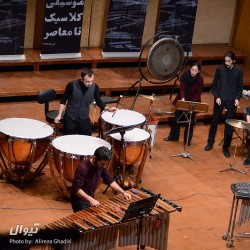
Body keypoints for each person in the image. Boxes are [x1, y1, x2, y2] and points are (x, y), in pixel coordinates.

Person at [54, 68, 117, 135]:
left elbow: (99, 102)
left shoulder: (95, 87)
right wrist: (59, 115)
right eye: (87, 81)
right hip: (70, 117)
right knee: (69, 140)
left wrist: (109, 109)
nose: (90, 83)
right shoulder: (71, 85)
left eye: (91, 81)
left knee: (87, 139)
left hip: (84, 118)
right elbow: (63, 100)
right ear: (81, 79)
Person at [204, 51, 244, 158]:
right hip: (220, 99)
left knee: (229, 125)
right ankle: (210, 142)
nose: (226, 63)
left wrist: (237, 98)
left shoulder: (238, 71)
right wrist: (216, 97)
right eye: (225, 61)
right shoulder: (220, 69)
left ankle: (226, 147)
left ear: (234, 61)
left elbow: (240, 88)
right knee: (214, 121)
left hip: (231, 100)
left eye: (229, 61)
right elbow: (213, 87)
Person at [70, 146, 131, 212]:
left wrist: (123, 192)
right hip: (79, 200)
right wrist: (90, 199)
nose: (104, 166)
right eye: (102, 164)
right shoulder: (83, 168)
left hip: (89, 198)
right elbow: (76, 189)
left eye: (105, 164)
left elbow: (110, 180)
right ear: (94, 158)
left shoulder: (101, 166)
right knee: (85, 221)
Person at [163, 62, 204, 145]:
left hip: (193, 101)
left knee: (190, 122)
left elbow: (198, 93)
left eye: (195, 71)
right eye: (192, 70)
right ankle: (173, 136)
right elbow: (182, 89)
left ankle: (187, 140)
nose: (193, 72)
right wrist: (183, 99)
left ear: (198, 71)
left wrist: (191, 103)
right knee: (176, 118)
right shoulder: (185, 75)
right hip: (183, 98)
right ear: (190, 69)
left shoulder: (200, 79)